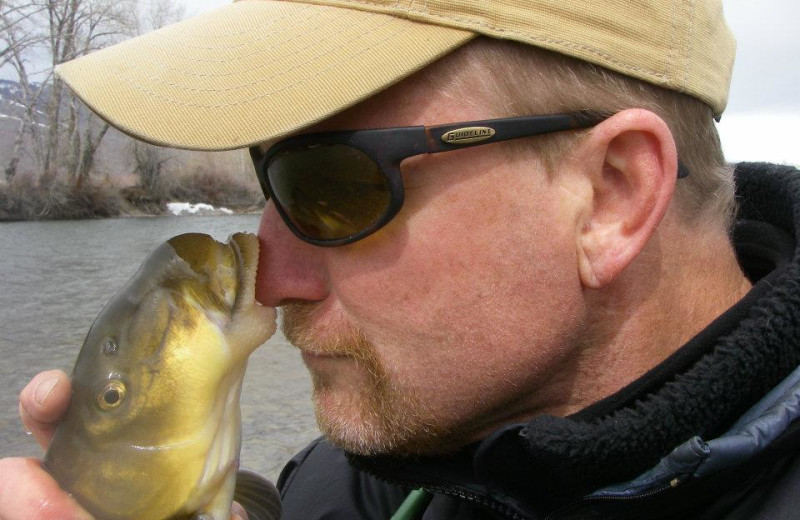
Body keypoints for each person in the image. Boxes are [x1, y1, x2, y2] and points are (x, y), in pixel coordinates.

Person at [2, 0, 800, 518]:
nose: (270, 275)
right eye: (263, 172)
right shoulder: (355, 478)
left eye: (328, 185)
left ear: (611, 196)